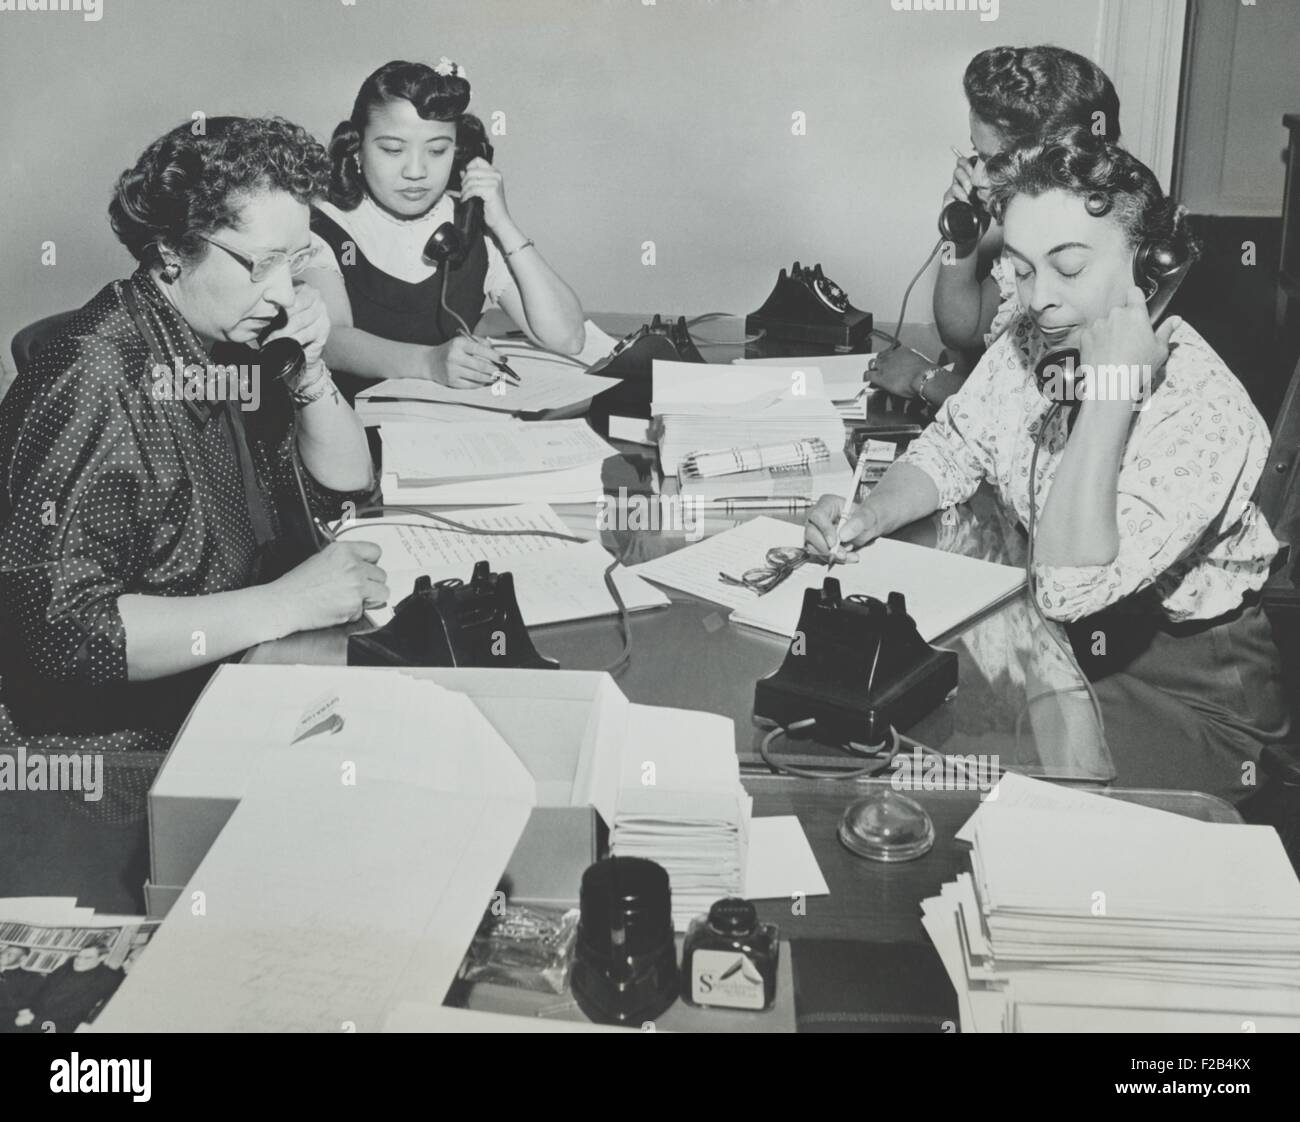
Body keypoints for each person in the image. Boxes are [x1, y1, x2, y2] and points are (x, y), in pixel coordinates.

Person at [806, 130, 1288, 802]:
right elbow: (955, 445)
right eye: (1026, 268)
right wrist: (870, 514)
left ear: (1152, 269)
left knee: (966, 790)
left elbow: (1066, 584)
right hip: (1055, 643)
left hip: (1182, 700)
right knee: (882, 735)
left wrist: (1113, 392)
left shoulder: (1204, 414)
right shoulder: (1041, 337)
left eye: (1069, 267)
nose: (1037, 299)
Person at [0, 117, 389, 815]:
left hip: (214, 691)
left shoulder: (224, 341)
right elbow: (61, 636)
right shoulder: (93, 375)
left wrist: (308, 371)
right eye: (260, 263)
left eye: (294, 263)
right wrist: (287, 603)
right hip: (99, 766)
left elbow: (344, 485)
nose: (281, 294)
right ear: (173, 251)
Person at [303, 58, 586, 403]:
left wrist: (503, 224)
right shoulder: (326, 224)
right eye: (393, 149)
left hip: (450, 434)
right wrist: (429, 362)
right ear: (358, 148)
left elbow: (568, 338)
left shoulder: (469, 225)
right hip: (351, 430)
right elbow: (331, 341)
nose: (416, 171)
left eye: (437, 150)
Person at [870, 45, 1121, 409]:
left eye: (994, 161)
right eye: (977, 155)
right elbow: (964, 328)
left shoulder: (1102, 258)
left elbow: (1046, 414)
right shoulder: (1034, 240)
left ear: (1063, 162)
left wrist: (926, 380)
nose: (979, 176)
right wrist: (961, 234)